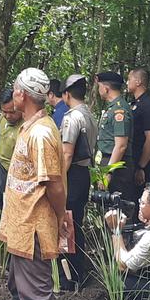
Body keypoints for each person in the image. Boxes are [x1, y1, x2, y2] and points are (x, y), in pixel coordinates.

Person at [0, 68, 66, 300]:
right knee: (18, 286)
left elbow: (55, 185)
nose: (13, 93)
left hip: (34, 226)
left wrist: (61, 218)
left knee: (37, 291)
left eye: (15, 89)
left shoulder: (42, 133)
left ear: (22, 94)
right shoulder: (27, 127)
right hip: (19, 226)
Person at [58, 73, 96, 288]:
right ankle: (76, 272)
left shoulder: (72, 117)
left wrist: (59, 181)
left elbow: (67, 153)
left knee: (67, 224)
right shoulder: (89, 114)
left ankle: (70, 276)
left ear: (66, 94)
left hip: (72, 175)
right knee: (77, 223)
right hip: (84, 174)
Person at [96, 71, 136, 203]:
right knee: (106, 209)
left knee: (118, 210)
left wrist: (109, 172)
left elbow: (121, 145)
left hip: (118, 169)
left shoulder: (120, 110)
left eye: (99, 86)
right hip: (108, 162)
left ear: (106, 88)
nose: (99, 90)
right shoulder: (111, 108)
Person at [128, 68, 150, 186]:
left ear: (138, 82)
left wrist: (141, 166)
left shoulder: (149, 105)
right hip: (132, 161)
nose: (127, 82)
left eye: (129, 79)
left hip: (144, 166)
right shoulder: (135, 104)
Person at [0, 87, 22, 173]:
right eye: (4, 112)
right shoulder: (2, 119)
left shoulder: (26, 127)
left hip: (13, 171)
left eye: (12, 112)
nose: (8, 116)